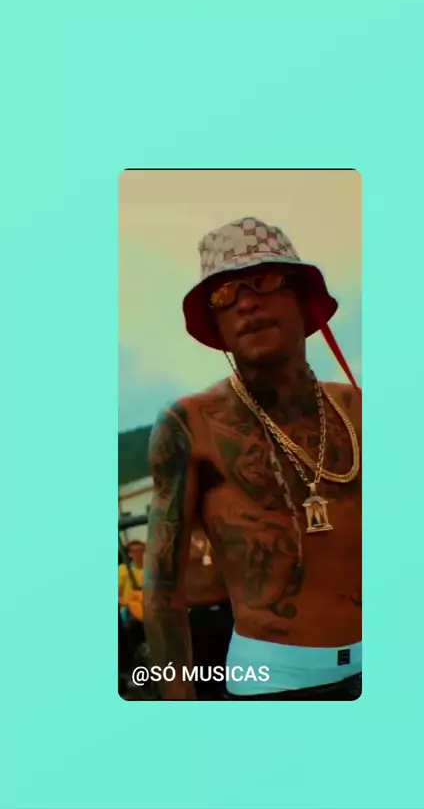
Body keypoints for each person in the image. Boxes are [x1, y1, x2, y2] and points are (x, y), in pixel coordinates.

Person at [143, 216, 361, 700]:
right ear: (216, 325)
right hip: (272, 682)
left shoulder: (358, 410)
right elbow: (162, 590)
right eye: (224, 294)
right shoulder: (190, 425)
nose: (245, 302)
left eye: (264, 280)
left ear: (302, 298)